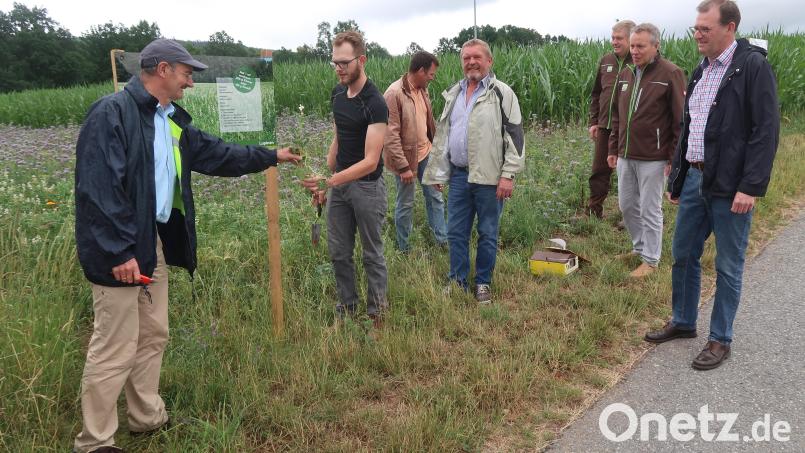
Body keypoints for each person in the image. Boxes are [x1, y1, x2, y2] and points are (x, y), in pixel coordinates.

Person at [72, 38, 300, 453]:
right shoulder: (113, 113)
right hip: (120, 250)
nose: (190, 82)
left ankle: (146, 417)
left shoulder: (170, 118)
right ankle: (94, 441)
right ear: (162, 70)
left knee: (153, 334)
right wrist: (118, 252)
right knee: (115, 343)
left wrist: (270, 155)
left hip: (152, 243)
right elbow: (99, 190)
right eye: (186, 72)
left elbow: (216, 154)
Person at [645, 0, 779, 371]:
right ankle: (684, 321)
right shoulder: (701, 70)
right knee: (684, 254)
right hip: (695, 179)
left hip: (731, 185)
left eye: (705, 28)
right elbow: (690, 128)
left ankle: (720, 338)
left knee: (728, 264)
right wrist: (678, 178)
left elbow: (765, 132)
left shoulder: (752, 67)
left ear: (730, 27)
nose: (698, 34)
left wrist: (750, 187)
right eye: (696, 28)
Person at [422, 39, 525, 305]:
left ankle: (482, 283)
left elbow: (515, 137)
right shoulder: (454, 94)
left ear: (489, 61)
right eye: (466, 58)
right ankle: (457, 280)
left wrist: (508, 174)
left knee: (488, 232)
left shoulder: (501, 93)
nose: (471, 62)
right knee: (456, 232)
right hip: (458, 176)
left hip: (490, 179)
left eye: (477, 57)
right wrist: (437, 173)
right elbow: (444, 136)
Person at [302, 31, 389, 323]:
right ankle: (348, 308)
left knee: (371, 254)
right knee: (339, 252)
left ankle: (377, 313)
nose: (339, 68)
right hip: (339, 185)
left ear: (361, 60)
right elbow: (339, 135)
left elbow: (370, 161)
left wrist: (330, 181)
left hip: (366, 188)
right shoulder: (338, 94)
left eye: (344, 63)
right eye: (334, 63)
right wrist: (328, 174)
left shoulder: (375, 102)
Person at [607, 23, 686, 278]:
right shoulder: (626, 73)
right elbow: (618, 116)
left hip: (654, 156)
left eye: (641, 46)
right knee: (627, 205)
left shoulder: (670, 73)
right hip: (625, 154)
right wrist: (613, 148)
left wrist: (674, 158)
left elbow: (679, 120)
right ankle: (639, 248)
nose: (635, 51)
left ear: (656, 45)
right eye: (632, 46)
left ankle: (651, 260)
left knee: (650, 208)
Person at [383, 51, 447, 252]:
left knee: (435, 196)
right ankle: (405, 248)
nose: (432, 78)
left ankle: (442, 240)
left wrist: (436, 151)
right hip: (406, 160)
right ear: (420, 71)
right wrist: (403, 167)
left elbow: (428, 123)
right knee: (405, 204)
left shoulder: (423, 90)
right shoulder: (394, 93)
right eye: (431, 74)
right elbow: (390, 134)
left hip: (426, 154)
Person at [586, 20, 635, 219]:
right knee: (599, 170)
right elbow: (596, 93)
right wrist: (593, 121)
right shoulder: (607, 60)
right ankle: (593, 210)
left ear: (631, 38)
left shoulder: (638, 61)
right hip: (605, 126)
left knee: (629, 173)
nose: (614, 42)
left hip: (628, 128)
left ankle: (629, 217)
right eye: (613, 37)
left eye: (619, 38)